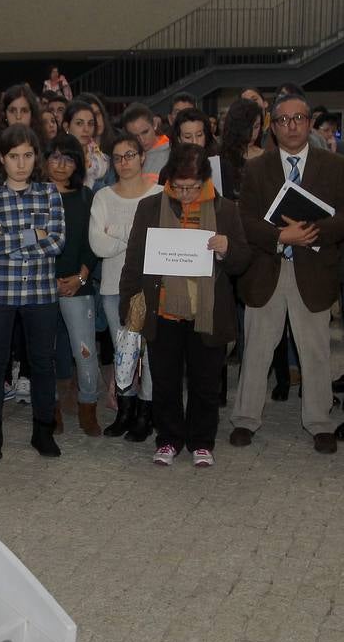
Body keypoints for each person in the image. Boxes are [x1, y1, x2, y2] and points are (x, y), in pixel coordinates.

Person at [119, 144, 250, 467]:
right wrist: (127, 306)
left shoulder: (226, 210)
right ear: (168, 181)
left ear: (206, 180)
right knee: (164, 380)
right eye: (178, 187)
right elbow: (134, 261)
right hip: (162, 310)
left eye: (192, 187)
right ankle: (168, 439)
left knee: (206, 383)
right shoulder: (150, 208)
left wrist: (225, 249)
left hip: (206, 313)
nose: (185, 194)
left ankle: (202, 441)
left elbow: (242, 261)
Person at [229, 93, 344, 454]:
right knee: (257, 350)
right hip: (268, 267)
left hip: (314, 268)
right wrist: (280, 236)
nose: (291, 126)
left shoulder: (334, 165)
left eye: (299, 118)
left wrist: (312, 233)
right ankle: (246, 419)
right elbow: (243, 220)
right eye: (283, 120)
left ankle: (320, 422)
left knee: (315, 352)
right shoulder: (257, 168)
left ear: (310, 123)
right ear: (273, 128)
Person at [0, 124, 66, 461]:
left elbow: (57, 242)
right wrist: (33, 235)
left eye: (27, 155)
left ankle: (43, 431)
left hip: (41, 293)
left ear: (35, 157)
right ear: (3, 158)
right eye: (14, 156)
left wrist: (9, 239)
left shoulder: (49, 193)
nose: (21, 163)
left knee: (43, 363)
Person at [88, 132, 163, 440]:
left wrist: (117, 231)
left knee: (152, 355)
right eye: (117, 157)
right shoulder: (103, 196)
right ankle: (126, 410)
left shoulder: (160, 194)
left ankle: (147, 412)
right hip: (113, 287)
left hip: (153, 286)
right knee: (124, 355)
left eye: (129, 155)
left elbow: (158, 241)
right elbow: (97, 245)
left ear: (142, 156)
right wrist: (138, 236)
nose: (124, 162)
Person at [45, 133, 101, 436]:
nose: (61, 164)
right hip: (41, 287)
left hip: (79, 285)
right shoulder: (35, 194)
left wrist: (80, 278)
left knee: (85, 351)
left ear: (78, 163)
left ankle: (88, 407)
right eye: (55, 156)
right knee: (47, 353)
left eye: (68, 158)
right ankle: (51, 409)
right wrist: (50, 280)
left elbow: (92, 243)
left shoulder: (86, 195)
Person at [218, 98, 264, 201]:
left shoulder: (267, 157)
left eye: (256, 126)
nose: (252, 134)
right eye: (248, 128)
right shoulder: (222, 160)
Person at [63, 99, 111, 189]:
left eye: (90, 124)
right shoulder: (58, 157)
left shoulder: (102, 158)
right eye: (79, 123)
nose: (86, 129)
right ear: (66, 127)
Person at [122, 103, 170, 176]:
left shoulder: (172, 153)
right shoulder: (126, 158)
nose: (141, 140)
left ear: (154, 124)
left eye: (145, 132)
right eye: (135, 136)